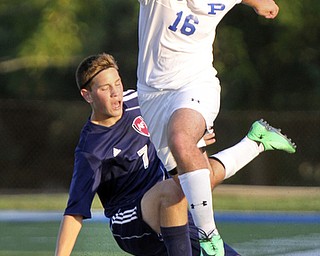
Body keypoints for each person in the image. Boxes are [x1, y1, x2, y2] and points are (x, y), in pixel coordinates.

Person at [55, 53, 295, 256]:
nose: (116, 93)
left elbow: (175, 117)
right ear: (87, 95)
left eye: (117, 83)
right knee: (176, 187)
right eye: (106, 88)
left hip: (172, 206)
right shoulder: (91, 148)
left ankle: (255, 142)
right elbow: (75, 211)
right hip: (130, 221)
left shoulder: (138, 100)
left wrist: (193, 137)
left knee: (195, 173)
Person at [136, 0, 295, 255]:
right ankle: (255, 142)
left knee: (180, 139)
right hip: (153, 95)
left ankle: (210, 238)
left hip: (196, 84)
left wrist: (261, 3)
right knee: (187, 185)